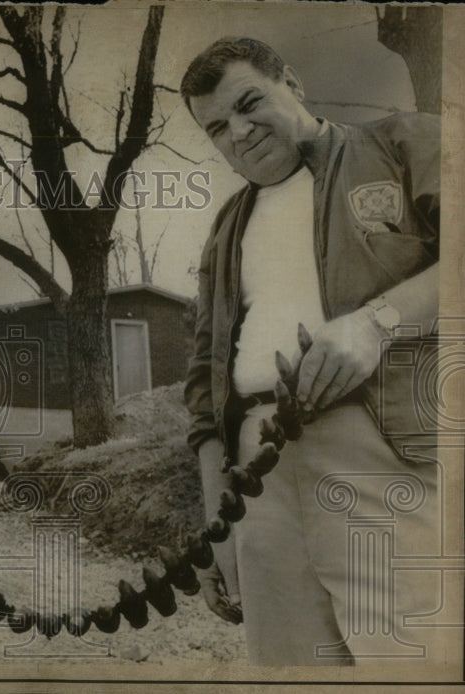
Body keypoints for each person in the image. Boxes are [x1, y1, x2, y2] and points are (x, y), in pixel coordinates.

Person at [180, 37, 441, 665]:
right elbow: (203, 380)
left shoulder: (400, 144)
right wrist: (217, 514)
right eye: (217, 128)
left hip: (379, 443)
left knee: (409, 657)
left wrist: (377, 323)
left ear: (291, 83)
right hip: (255, 471)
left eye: (249, 104)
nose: (238, 133)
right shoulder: (226, 226)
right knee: (289, 668)